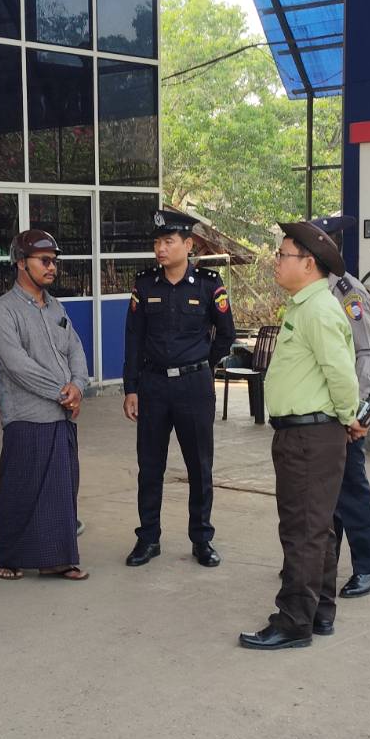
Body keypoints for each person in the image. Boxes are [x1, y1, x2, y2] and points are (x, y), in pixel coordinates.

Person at [238, 221, 368, 651]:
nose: (276, 262)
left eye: (283, 255)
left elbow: (341, 374)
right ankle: (319, 612)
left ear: (308, 264)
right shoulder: (304, 306)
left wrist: (348, 417)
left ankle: (294, 621)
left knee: (302, 531)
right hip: (305, 434)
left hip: (311, 436)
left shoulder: (318, 310)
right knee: (318, 529)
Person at [122, 208, 236, 568]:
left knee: (199, 466)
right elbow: (133, 339)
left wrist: (203, 365)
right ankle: (148, 538)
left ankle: (202, 539)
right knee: (149, 466)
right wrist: (131, 388)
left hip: (194, 386)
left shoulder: (208, 284)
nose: (160, 248)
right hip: (153, 385)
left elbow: (226, 334)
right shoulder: (145, 285)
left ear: (188, 245)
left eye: (168, 241)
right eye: (157, 242)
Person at [0, 229, 90, 581]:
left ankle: (58, 560)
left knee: (61, 491)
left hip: (62, 416)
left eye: (54, 262)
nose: (52, 268)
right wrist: (62, 392)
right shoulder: (3, 311)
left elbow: (75, 349)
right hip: (26, 417)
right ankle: (9, 558)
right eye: (44, 261)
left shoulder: (56, 307)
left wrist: (79, 386)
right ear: (21, 263)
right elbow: (18, 366)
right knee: (22, 491)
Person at [311, 215, 370, 598]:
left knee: (351, 490)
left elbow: (365, 354)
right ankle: (324, 561)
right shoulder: (310, 290)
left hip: (345, 410)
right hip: (318, 410)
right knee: (325, 493)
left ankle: (368, 568)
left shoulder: (346, 292)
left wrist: (352, 412)